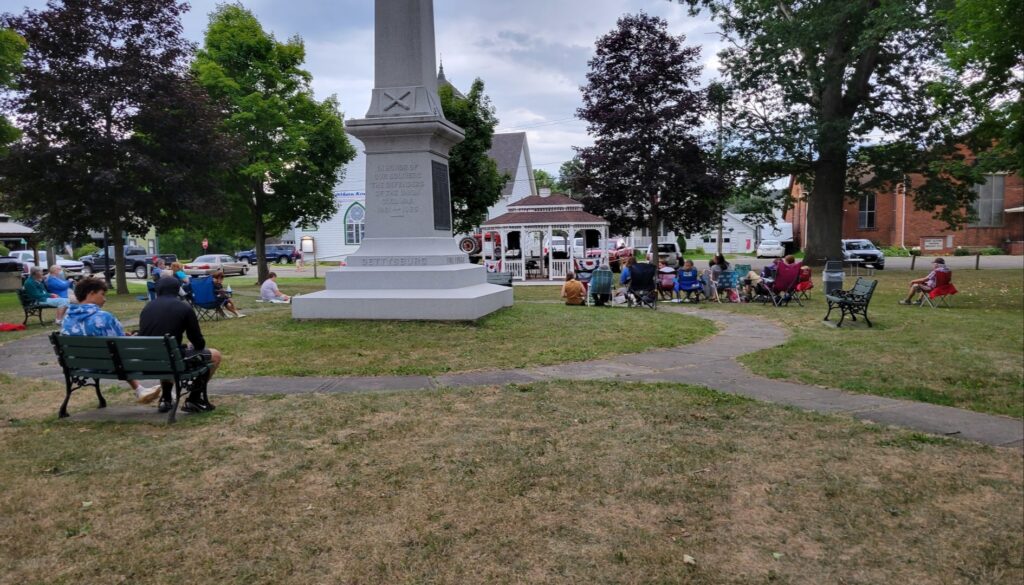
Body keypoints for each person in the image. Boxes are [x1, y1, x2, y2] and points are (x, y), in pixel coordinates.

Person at [61, 277, 160, 404]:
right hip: (109, 364)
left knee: (114, 353)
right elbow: (122, 344)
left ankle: (140, 389)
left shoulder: (67, 318)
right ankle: (159, 393)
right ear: (91, 293)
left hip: (80, 365)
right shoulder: (104, 317)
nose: (105, 299)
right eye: (102, 294)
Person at [139, 277, 222, 413]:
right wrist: (190, 346)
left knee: (168, 353)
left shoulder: (148, 307)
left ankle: (166, 399)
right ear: (178, 290)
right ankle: (193, 399)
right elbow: (198, 342)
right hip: (172, 359)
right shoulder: (184, 307)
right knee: (215, 355)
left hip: (149, 360)